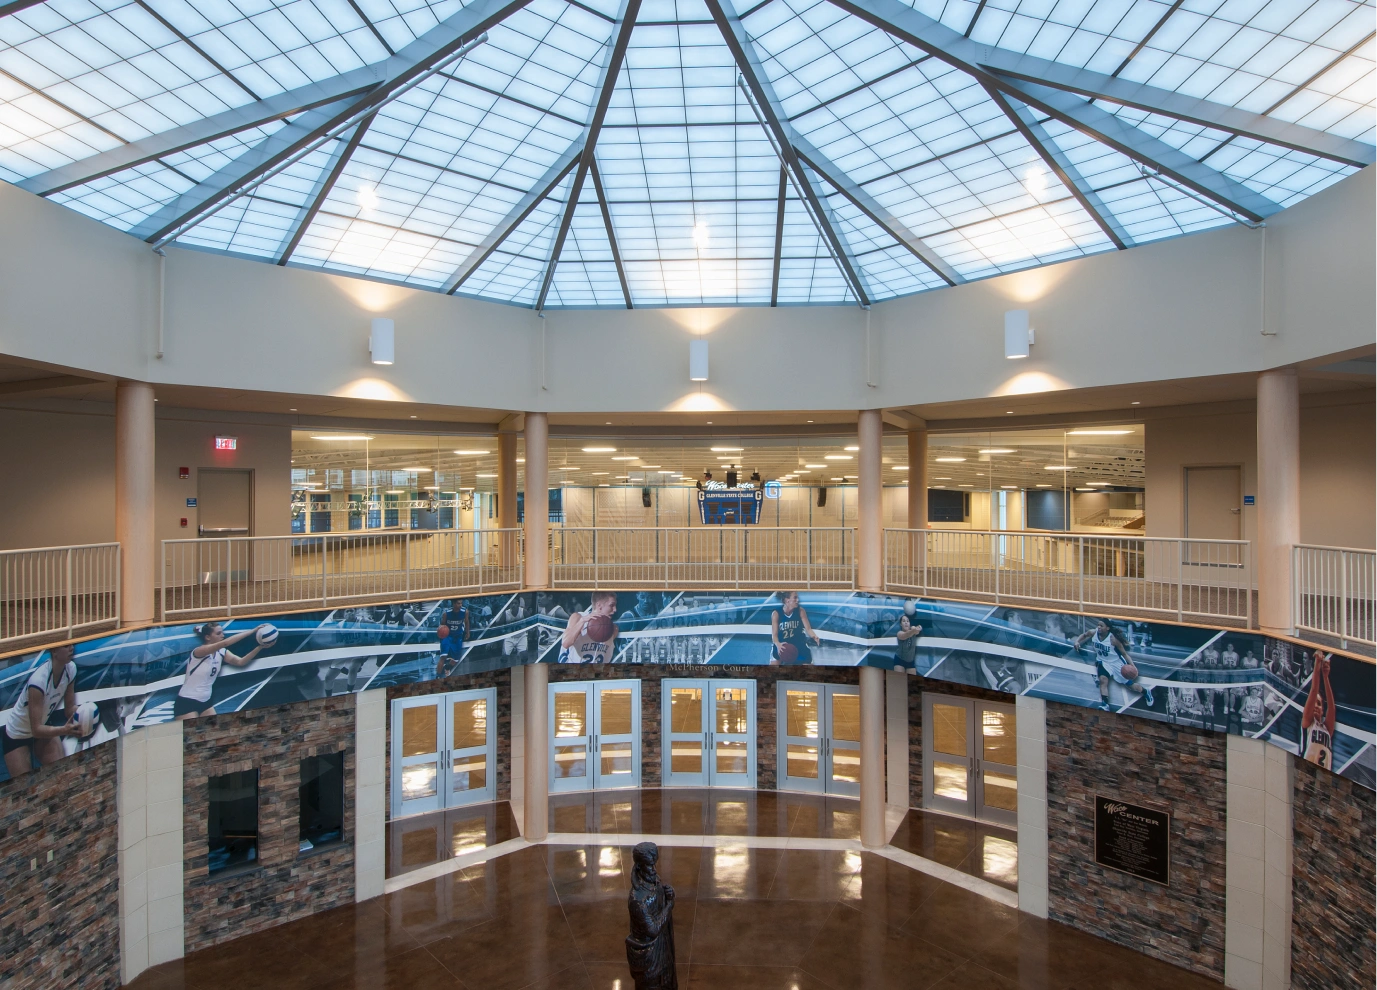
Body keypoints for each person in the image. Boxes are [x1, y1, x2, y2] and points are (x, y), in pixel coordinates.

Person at [2, 644, 78, 778]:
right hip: (17, 733)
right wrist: (64, 730)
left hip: (42, 727)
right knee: (23, 787)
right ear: (54, 651)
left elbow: (69, 709)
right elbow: (36, 729)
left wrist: (83, 713)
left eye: (72, 644)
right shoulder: (38, 681)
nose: (71, 648)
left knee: (61, 774)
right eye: (66, 646)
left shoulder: (71, 669)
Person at [174, 622, 272, 720]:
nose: (223, 635)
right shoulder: (200, 651)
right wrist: (253, 631)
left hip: (205, 701)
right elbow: (225, 643)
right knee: (190, 733)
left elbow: (241, 662)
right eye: (218, 633)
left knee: (214, 731)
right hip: (187, 701)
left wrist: (260, 647)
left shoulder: (221, 652)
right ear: (208, 637)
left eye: (222, 633)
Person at [626, 841, 677, 990]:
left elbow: (659, 898)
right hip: (649, 957)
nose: (654, 869)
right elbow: (653, 930)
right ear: (639, 866)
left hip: (662, 950)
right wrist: (669, 906)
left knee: (665, 983)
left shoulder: (653, 881)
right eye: (650, 865)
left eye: (655, 864)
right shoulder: (637, 899)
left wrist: (668, 893)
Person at [1074, 618, 1154, 711]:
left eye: (1101, 626)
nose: (1098, 627)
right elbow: (1084, 635)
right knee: (1103, 681)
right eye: (1098, 625)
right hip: (1103, 661)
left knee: (1131, 686)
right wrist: (1077, 641)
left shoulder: (1113, 639)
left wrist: (1133, 666)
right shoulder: (1093, 632)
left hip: (1116, 663)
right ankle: (1105, 705)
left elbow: (1124, 654)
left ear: (1107, 628)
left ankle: (1145, 692)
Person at [559, 592, 619, 664]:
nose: (615, 609)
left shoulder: (613, 629)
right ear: (599, 606)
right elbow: (565, 643)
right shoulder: (578, 617)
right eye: (611, 605)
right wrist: (582, 621)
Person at [1300, 651, 1337, 769]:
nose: (1316, 705)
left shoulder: (1327, 729)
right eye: (1314, 702)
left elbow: (1332, 707)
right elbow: (1314, 689)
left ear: (1322, 710)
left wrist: (1326, 677)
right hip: (1306, 770)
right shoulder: (1308, 723)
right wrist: (1317, 664)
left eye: (1319, 704)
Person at [770, 591, 820, 664]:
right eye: (795, 598)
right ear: (787, 600)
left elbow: (808, 629)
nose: (798, 600)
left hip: (799, 643)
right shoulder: (776, 614)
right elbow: (774, 635)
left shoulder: (800, 611)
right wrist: (778, 645)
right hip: (782, 644)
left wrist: (814, 636)